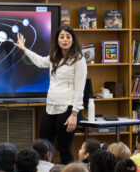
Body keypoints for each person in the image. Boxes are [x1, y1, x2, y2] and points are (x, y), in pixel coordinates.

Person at [14, 25, 87, 164]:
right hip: (51, 107)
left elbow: (80, 88)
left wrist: (74, 114)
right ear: (57, 40)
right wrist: (24, 48)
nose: (65, 40)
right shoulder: (55, 56)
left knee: (64, 149)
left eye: (68, 37)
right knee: (42, 147)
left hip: (68, 109)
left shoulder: (79, 59)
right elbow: (41, 62)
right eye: (62, 37)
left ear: (72, 40)